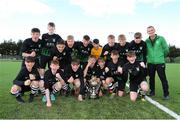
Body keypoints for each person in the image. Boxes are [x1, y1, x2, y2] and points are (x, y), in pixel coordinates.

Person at [146, 26, 170, 100]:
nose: (150, 32)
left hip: (160, 62)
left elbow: (166, 49)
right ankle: (152, 92)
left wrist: (161, 56)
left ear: (154, 30)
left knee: (163, 78)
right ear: (147, 32)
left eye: (151, 30)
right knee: (151, 78)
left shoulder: (161, 38)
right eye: (149, 31)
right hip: (150, 63)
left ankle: (166, 94)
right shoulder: (146, 41)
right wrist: (148, 58)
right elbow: (146, 51)